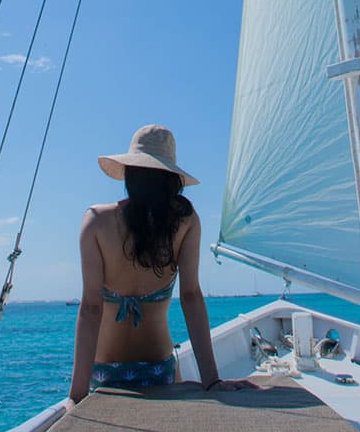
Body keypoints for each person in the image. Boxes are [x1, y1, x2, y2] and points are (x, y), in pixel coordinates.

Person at [67, 124, 251, 403]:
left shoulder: (96, 221)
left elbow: (92, 308)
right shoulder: (185, 221)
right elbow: (190, 297)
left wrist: (76, 397)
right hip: (160, 369)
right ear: (171, 178)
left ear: (129, 172)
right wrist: (211, 381)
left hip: (104, 373)